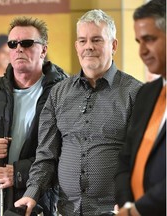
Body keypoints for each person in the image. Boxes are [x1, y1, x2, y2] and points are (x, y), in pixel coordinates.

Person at [15, 9, 142, 216]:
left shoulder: (135, 93)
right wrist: (32, 193)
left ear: (114, 45)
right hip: (66, 211)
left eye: (97, 40)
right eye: (82, 41)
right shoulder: (58, 94)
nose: (88, 47)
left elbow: (145, 159)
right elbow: (46, 155)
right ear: (76, 47)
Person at [0, 16, 68, 215]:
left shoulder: (64, 91)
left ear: (44, 50)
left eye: (27, 43)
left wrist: (20, 173)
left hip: (39, 202)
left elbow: (71, 153)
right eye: (13, 44)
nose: (18, 49)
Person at [115, 1, 166, 216]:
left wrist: (138, 210)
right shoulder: (146, 93)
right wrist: (127, 205)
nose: (142, 51)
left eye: (150, 39)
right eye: (138, 41)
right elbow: (126, 158)